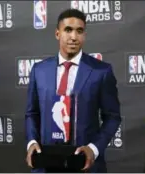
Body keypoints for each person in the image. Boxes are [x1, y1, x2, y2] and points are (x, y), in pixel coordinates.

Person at [25, 8, 121, 173]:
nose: (74, 37)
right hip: (46, 163)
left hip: (84, 164)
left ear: (84, 35)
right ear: (57, 33)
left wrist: (93, 149)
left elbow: (112, 117)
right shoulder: (38, 70)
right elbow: (32, 114)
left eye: (79, 31)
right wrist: (32, 142)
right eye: (68, 30)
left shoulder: (101, 71)